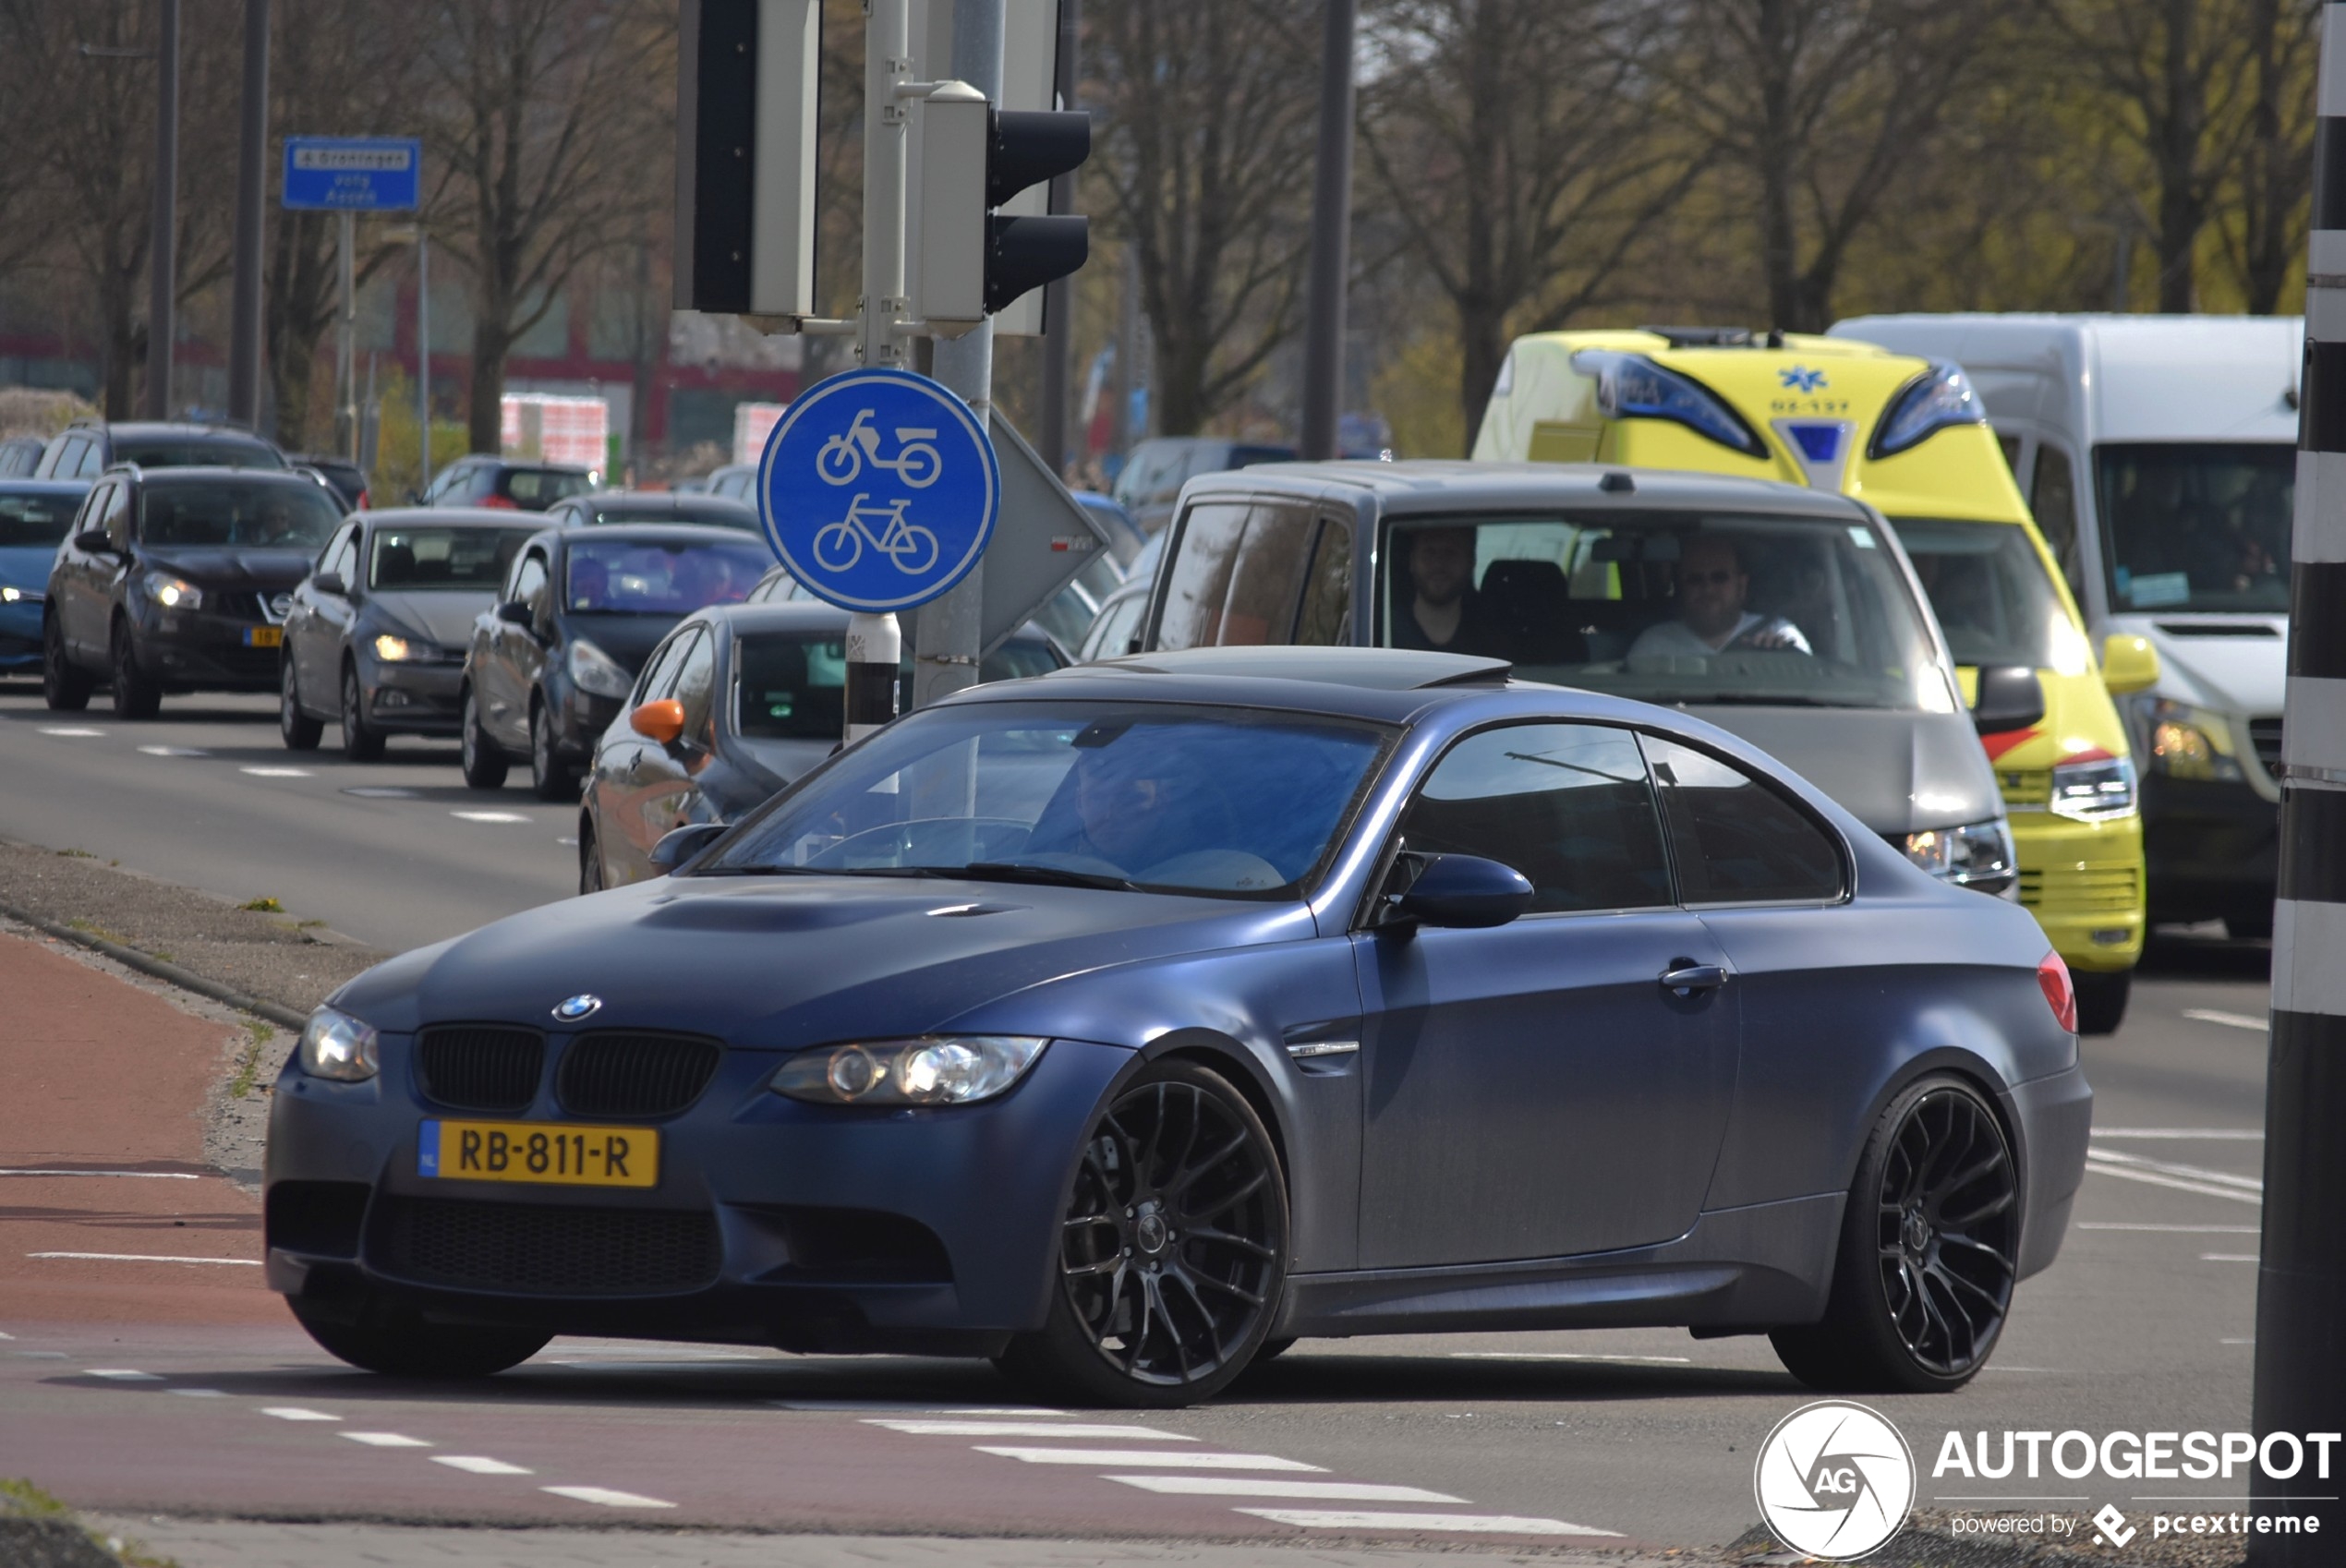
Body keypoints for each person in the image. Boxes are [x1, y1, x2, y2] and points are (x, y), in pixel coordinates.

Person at [1629, 534, 1810, 660]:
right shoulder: (1654, 645)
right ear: (1680, 587)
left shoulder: (1779, 632)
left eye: (1719, 577)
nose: (1707, 588)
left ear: (1741, 585)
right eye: (1695, 579)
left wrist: (1782, 657)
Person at [1391, 526, 1502, 655]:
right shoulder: (1381, 630)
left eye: (1450, 552)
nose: (1438, 564)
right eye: (1429, 552)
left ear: (1471, 562)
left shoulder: (1491, 640)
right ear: (1412, 561)